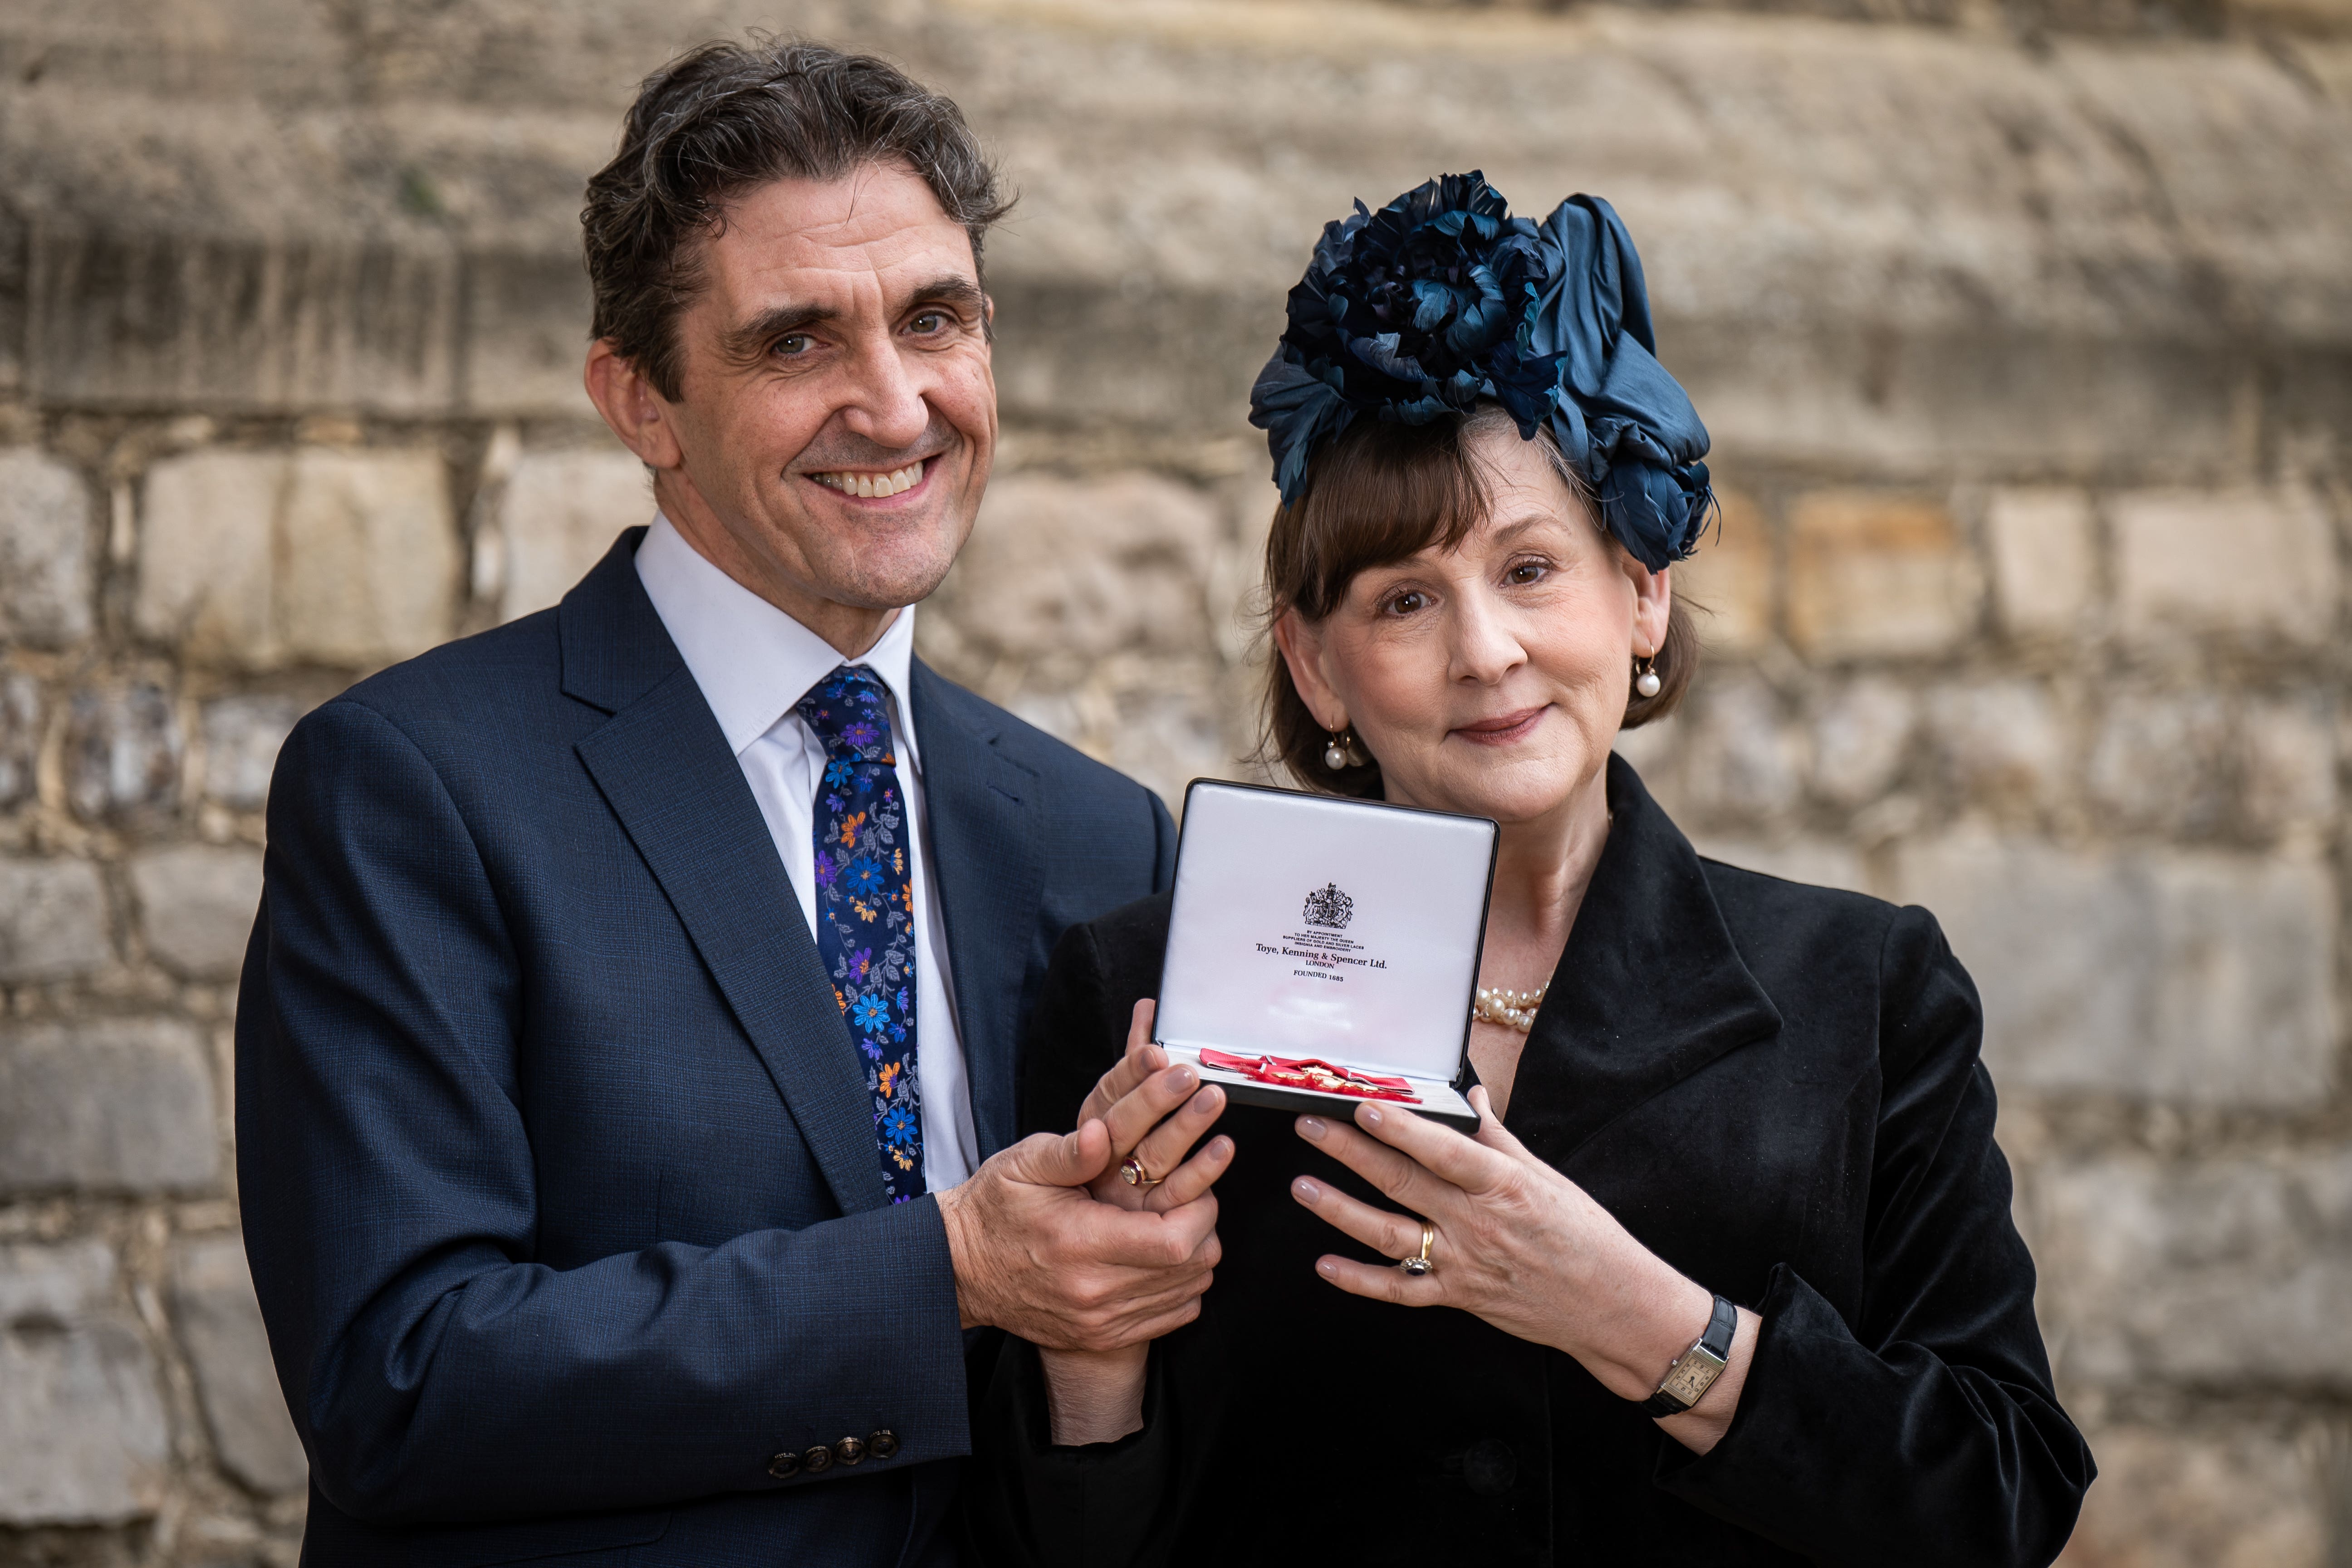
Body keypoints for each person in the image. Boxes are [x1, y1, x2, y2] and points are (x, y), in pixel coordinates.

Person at [965, 175, 2096, 1565]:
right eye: (1405, 599)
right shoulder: (1139, 995)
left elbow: (2000, 1498)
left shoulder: (1866, 992)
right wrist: (1096, 1355)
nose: (1486, 650)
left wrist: (1632, 1314)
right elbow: (1040, 1543)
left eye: (1533, 568)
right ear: (1315, 665)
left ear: (1642, 594)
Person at [235, 40, 1228, 1568]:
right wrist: (951, 1270)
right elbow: (403, 1380)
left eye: (935, 321)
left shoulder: (1099, 832)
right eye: (796, 344)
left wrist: (1097, 1369)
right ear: (642, 403)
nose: (895, 407)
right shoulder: (414, 785)